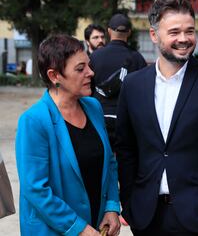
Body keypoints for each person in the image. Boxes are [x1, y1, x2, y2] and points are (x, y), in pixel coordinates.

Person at [115, 0, 198, 235]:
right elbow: (126, 148)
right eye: (174, 32)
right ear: (154, 35)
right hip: (147, 217)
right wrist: (129, 202)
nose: (184, 39)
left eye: (190, 31)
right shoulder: (133, 85)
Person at [15, 34, 120, 236]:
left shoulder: (93, 107)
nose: (91, 73)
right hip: (53, 230)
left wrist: (112, 207)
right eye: (80, 69)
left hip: (96, 225)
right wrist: (78, 228)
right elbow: (35, 189)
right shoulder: (34, 121)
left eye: (89, 65)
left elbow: (110, 163)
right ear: (55, 76)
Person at [90, 13, 146, 148]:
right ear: (129, 32)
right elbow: (144, 93)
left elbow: (87, 87)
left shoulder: (95, 56)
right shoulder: (137, 58)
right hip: (127, 119)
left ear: (109, 31)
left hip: (98, 116)